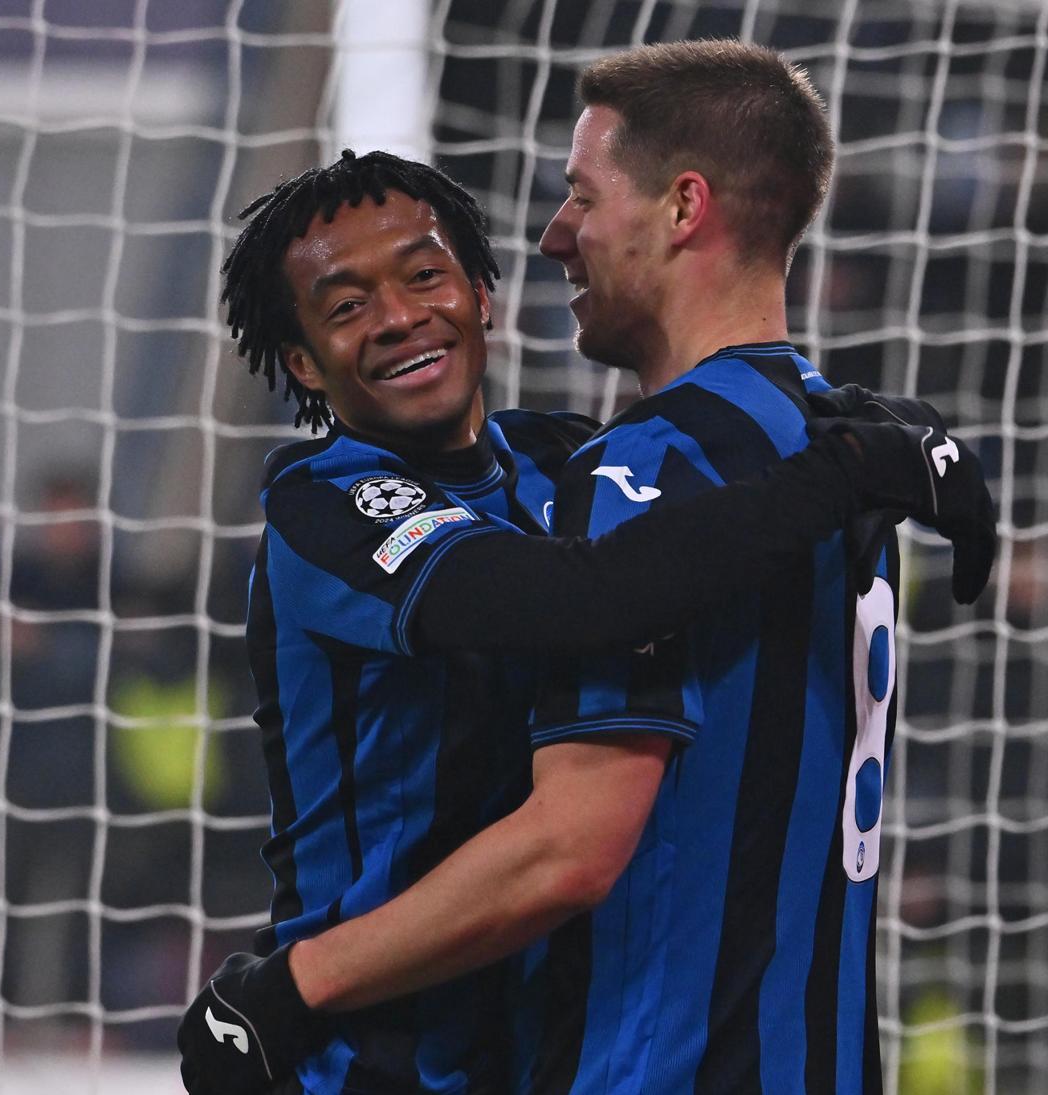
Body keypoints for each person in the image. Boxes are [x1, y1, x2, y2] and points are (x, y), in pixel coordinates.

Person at [179, 42, 999, 1095]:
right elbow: (577, 599)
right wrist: (873, 456)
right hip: (370, 1058)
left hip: (555, 1047)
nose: (395, 318)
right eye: (343, 309)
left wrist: (892, 438)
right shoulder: (328, 502)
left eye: (423, 277)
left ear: (483, 296)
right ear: (302, 365)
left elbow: (579, 826)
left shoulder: (594, 466)